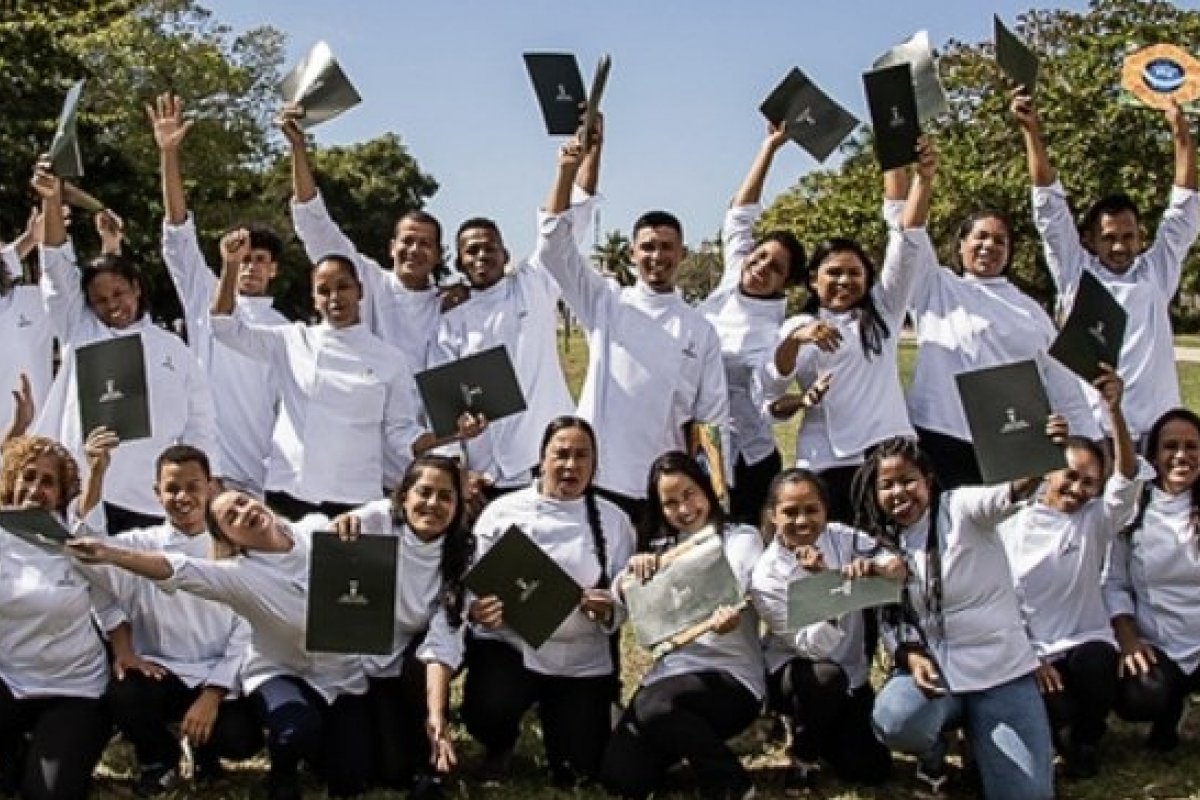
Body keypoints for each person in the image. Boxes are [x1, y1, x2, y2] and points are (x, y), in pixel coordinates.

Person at [68, 490, 372, 800]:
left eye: (242, 502)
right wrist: (110, 554)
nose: (244, 512)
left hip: (342, 676)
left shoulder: (317, 529)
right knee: (294, 731)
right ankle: (283, 774)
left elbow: (385, 511)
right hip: (281, 670)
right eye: (231, 518)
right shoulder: (238, 575)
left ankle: (322, 750)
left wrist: (354, 520)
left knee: (351, 780)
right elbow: (176, 568)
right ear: (230, 540)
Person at [209, 233, 478, 521]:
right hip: (288, 494)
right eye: (324, 290)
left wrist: (453, 433)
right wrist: (231, 266)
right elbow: (225, 327)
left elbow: (402, 434)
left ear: (360, 291)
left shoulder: (389, 359)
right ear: (314, 299)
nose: (335, 297)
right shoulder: (292, 340)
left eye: (343, 287)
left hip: (355, 502)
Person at [537, 132, 729, 526]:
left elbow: (712, 420)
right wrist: (568, 170)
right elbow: (555, 247)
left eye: (666, 247)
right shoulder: (606, 301)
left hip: (663, 488)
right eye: (647, 247)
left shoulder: (700, 330)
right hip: (601, 478)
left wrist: (716, 492)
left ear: (682, 254)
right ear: (632, 253)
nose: (656, 256)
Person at [886, 135, 1098, 489]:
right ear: (961, 244)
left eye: (1000, 241)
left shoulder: (1030, 310)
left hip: (1012, 444)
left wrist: (1090, 445)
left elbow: (1064, 388)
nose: (989, 246)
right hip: (941, 437)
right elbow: (906, 228)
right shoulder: (935, 286)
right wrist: (922, 176)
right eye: (980, 237)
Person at [860, 436, 1058, 800]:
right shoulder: (876, 539)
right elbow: (889, 620)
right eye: (886, 485)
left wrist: (1040, 451)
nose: (899, 492)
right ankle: (934, 752)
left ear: (929, 480)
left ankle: (981, 742)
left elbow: (1014, 490)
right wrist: (909, 656)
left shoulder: (963, 508)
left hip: (1002, 673)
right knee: (897, 719)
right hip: (937, 674)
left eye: (908, 480)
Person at [30, 162, 215, 534]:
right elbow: (55, 266)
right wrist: (51, 201)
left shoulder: (172, 348)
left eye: (119, 293)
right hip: (86, 494)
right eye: (99, 300)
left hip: (152, 503)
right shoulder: (79, 328)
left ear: (137, 288)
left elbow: (200, 421)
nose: (113, 305)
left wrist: (204, 483)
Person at [757, 138, 934, 523]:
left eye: (854, 273)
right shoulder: (797, 325)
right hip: (822, 457)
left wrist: (923, 179)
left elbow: (906, 240)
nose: (844, 280)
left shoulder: (883, 313)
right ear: (812, 280)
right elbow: (771, 393)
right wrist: (796, 341)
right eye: (833, 273)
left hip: (884, 455)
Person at [73, 444, 262, 795]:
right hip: (159, 672)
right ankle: (160, 757)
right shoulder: (139, 544)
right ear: (157, 493)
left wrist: (214, 693)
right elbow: (90, 558)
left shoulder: (236, 547)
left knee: (241, 739)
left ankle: (207, 755)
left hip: (216, 676)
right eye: (172, 488)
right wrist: (97, 475)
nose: (183, 496)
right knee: (124, 694)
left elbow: (246, 630)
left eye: (193, 486)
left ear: (210, 487)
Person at [1014, 90, 1199, 444]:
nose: (1119, 247)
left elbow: (1185, 209)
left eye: (1128, 237)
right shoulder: (1076, 272)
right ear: (1090, 240)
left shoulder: (1156, 271)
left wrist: (1181, 136)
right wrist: (1031, 132)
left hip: (1154, 430)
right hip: (1093, 432)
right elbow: (1050, 211)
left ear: (1140, 237)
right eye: (1109, 238)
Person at [431, 121, 602, 496]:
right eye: (471, 250)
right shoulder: (450, 324)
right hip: (484, 476)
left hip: (545, 463)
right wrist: (460, 472)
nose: (481, 255)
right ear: (459, 263)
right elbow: (445, 410)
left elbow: (567, 221)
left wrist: (589, 154)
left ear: (505, 254)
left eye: (489, 247)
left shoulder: (533, 283)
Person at [462, 416, 634, 786]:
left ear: (594, 464)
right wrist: (479, 610)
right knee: (489, 706)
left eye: (582, 456)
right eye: (561, 454)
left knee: (579, 770)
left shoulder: (615, 521)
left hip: (580, 660)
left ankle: (583, 717)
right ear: (541, 459)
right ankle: (499, 741)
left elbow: (626, 594)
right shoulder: (502, 512)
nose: (570, 465)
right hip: (512, 646)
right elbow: (474, 583)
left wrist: (609, 607)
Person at [998, 367, 1144, 778]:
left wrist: (1114, 413)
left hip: (1085, 640)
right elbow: (1002, 601)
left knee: (1098, 666)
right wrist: (1030, 658)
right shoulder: (1010, 524)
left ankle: (1087, 735)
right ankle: (1061, 733)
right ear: (1048, 471)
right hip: (1034, 652)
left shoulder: (1095, 520)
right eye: (1071, 476)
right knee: (1055, 705)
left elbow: (1127, 478)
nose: (1079, 489)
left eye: (1090, 483)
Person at [601, 451, 764, 800]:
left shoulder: (739, 537)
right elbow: (619, 597)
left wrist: (722, 613)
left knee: (654, 705)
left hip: (730, 676)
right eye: (670, 502)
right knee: (622, 778)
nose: (684, 509)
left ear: (707, 488)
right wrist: (633, 572)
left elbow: (732, 584)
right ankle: (683, 748)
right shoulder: (659, 548)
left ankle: (731, 782)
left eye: (689, 494)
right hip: (671, 675)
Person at [152, 93, 289, 496]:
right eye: (242, 258)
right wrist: (169, 155)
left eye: (259, 259)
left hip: (256, 476)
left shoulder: (288, 331)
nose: (249, 266)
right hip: (199, 472)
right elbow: (178, 228)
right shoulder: (203, 294)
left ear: (274, 269)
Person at [749, 467, 901, 790]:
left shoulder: (842, 537)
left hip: (853, 676)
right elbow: (812, 648)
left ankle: (824, 730)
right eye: (790, 512)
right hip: (797, 675)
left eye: (811, 510)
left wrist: (875, 567)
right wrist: (826, 583)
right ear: (773, 516)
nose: (802, 521)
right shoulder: (767, 575)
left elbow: (895, 565)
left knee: (871, 769)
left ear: (825, 510)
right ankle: (803, 756)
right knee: (824, 678)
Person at [329, 454, 472, 796]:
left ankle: (420, 737)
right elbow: (316, 538)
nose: (433, 504)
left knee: (396, 772)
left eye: (445, 496)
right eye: (424, 492)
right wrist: (336, 524)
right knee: (349, 775)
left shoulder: (464, 554)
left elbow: (443, 642)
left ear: (457, 506)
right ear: (403, 495)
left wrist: (438, 717)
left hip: (410, 668)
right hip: (356, 665)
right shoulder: (375, 521)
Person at [284, 103, 447, 373]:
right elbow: (315, 225)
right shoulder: (366, 279)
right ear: (392, 247)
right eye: (407, 241)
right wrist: (298, 149)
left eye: (425, 244)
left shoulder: (449, 305)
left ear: (438, 255)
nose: (414, 249)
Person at [698, 122, 806, 523]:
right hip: (698, 443)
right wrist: (770, 148)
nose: (761, 268)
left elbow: (770, 395)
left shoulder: (777, 332)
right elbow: (739, 217)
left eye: (775, 268)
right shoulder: (729, 283)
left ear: (787, 282)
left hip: (746, 458)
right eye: (759, 257)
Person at [0, 431, 114, 800]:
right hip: (10, 680)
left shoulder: (76, 539)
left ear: (63, 494)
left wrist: (97, 471)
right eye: (28, 476)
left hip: (72, 687)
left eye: (48, 482)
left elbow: (113, 602)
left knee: (47, 795)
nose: (35, 489)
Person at [1103, 406, 1200, 754]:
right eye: (1170, 446)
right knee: (1139, 698)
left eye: (1192, 447)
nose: (1181, 456)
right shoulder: (1134, 510)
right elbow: (1113, 584)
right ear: (1155, 456)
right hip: (1157, 644)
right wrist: (1128, 639)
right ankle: (1169, 707)